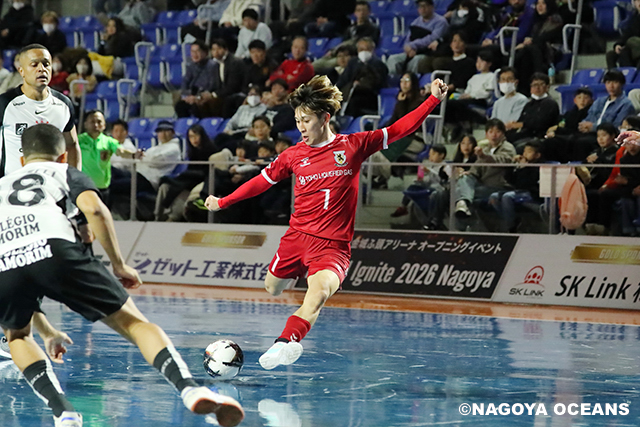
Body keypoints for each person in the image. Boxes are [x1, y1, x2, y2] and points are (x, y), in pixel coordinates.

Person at [0, 123, 244, 427]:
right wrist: (119, 264)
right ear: (63, 157)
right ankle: (189, 389)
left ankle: (63, 411)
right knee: (135, 324)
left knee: (18, 336)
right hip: (56, 248)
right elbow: (96, 210)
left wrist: (47, 332)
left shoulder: (2, 184)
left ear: (22, 160)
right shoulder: (64, 172)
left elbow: (21, 263)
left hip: (5, 261)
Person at [204, 75, 448, 369]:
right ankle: (289, 328)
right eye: (297, 121)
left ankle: (284, 342)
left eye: (306, 120)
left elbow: (399, 129)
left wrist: (432, 99)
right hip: (296, 239)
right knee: (272, 287)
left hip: (332, 246)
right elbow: (261, 182)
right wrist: (223, 201)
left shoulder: (354, 146)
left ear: (325, 118)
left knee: (318, 293)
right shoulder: (293, 155)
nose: (301, 127)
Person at [0, 44, 81, 178]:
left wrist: (74, 182)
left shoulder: (63, 104)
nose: (41, 69)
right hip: (12, 186)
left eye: (46, 64)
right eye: (34, 65)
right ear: (21, 71)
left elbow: (72, 145)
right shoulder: (5, 103)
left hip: (52, 186)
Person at [454, 118, 516, 221]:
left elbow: (500, 161)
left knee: (460, 192)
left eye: (497, 131)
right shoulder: (486, 148)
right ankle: (462, 205)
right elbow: (476, 168)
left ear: (503, 133)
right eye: (491, 132)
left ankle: (462, 216)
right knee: (464, 180)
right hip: (483, 185)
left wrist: (484, 156)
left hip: (499, 186)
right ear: (486, 134)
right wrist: (468, 173)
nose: (494, 135)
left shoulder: (508, 148)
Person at [155, 124, 217, 221]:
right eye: (191, 136)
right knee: (164, 186)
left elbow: (207, 172)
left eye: (196, 135)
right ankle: (158, 216)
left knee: (181, 191)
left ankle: (172, 217)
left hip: (201, 182)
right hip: (189, 179)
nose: (194, 139)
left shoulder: (211, 150)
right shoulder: (192, 152)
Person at [78, 110, 141, 205]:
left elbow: (121, 151)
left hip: (103, 188)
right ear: (85, 124)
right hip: (84, 187)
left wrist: (133, 155)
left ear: (104, 125)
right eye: (92, 122)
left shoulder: (109, 141)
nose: (96, 125)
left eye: (99, 122)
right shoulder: (78, 140)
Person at [489, 140, 544, 232]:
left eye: (529, 152)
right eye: (524, 151)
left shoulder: (539, 167)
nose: (525, 154)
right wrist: (512, 165)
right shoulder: (522, 164)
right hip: (517, 191)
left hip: (531, 193)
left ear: (537, 155)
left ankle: (510, 228)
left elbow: (526, 184)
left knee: (507, 197)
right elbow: (511, 180)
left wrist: (524, 168)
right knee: (493, 197)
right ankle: (513, 221)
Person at [385, 0, 449, 75]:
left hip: (428, 53)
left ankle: (412, 80)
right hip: (413, 51)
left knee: (416, 60)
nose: (422, 9)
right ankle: (396, 80)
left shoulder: (441, 22)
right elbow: (408, 39)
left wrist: (413, 45)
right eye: (420, 6)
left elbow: (432, 38)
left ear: (431, 7)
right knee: (392, 59)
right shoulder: (415, 22)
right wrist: (408, 47)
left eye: (425, 6)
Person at [390, 144, 450, 218]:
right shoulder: (432, 166)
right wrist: (421, 180)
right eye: (430, 154)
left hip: (438, 190)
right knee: (412, 187)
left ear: (441, 155)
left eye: (433, 154)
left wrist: (429, 172)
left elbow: (441, 180)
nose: (430, 156)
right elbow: (429, 181)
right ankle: (403, 207)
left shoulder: (446, 167)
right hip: (429, 186)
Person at [505, 72, 559, 147]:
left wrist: (521, 125)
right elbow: (522, 120)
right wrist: (512, 125)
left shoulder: (550, 103)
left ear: (547, 87)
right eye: (534, 85)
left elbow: (540, 124)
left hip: (540, 137)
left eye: (541, 84)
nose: (537, 88)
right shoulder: (529, 104)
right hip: (526, 134)